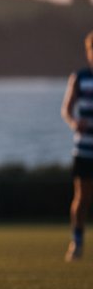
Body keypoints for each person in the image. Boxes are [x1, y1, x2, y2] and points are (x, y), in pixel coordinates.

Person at [61, 31, 93, 261]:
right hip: (84, 149)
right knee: (82, 198)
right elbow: (66, 109)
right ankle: (77, 241)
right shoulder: (80, 78)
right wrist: (74, 123)